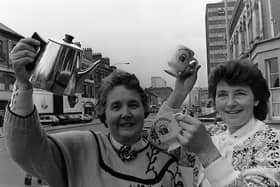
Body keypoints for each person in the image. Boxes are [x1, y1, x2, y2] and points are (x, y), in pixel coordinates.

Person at [4, 37, 202, 187]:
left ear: (145, 110)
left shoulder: (164, 162)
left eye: (133, 105)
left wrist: (180, 91)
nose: (126, 113)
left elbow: (162, 128)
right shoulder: (81, 147)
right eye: (116, 107)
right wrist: (22, 84)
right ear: (103, 114)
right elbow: (29, 152)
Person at [155, 59, 280, 186]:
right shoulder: (211, 133)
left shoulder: (274, 141)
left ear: (256, 99)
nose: (230, 103)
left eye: (240, 93)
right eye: (222, 95)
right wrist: (179, 93)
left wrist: (207, 151)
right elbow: (156, 143)